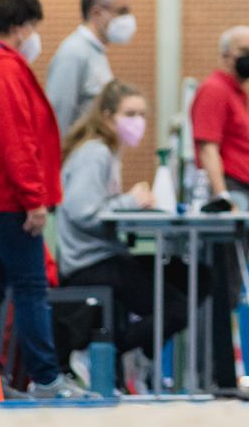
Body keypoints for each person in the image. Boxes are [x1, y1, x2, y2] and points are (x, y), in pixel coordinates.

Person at [0, 0, 95, 401]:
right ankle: (47, 378)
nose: (34, 37)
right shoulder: (4, 71)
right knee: (32, 287)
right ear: (19, 27)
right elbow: (18, 140)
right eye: (33, 27)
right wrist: (34, 199)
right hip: (7, 198)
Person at [56, 79, 188, 393]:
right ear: (106, 116)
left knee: (190, 277)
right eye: (130, 113)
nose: (138, 122)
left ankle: (127, 354)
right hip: (90, 263)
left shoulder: (108, 153)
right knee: (179, 307)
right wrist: (131, 201)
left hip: (107, 255)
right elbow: (82, 211)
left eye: (142, 114)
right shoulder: (95, 153)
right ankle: (105, 351)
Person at [192, 25, 249, 397]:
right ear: (225, 53)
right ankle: (218, 378)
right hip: (231, 197)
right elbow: (208, 147)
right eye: (244, 49)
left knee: (230, 289)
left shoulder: (237, 93)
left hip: (245, 195)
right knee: (220, 289)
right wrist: (224, 198)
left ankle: (222, 375)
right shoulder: (215, 90)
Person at [45, 0, 136, 133]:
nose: (128, 19)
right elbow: (57, 119)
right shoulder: (74, 53)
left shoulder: (96, 53)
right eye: (122, 12)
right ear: (96, 13)